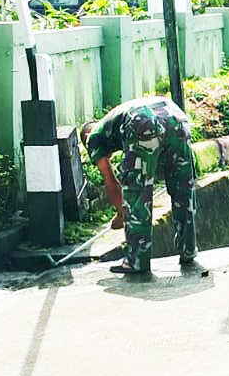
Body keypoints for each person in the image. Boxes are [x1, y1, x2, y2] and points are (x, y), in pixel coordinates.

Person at [82, 96, 197, 274]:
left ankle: (136, 260)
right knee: (183, 187)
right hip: (176, 117)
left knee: (137, 192)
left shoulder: (93, 137)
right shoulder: (115, 118)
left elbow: (111, 182)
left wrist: (122, 214)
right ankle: (188, 249)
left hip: (143, 122)